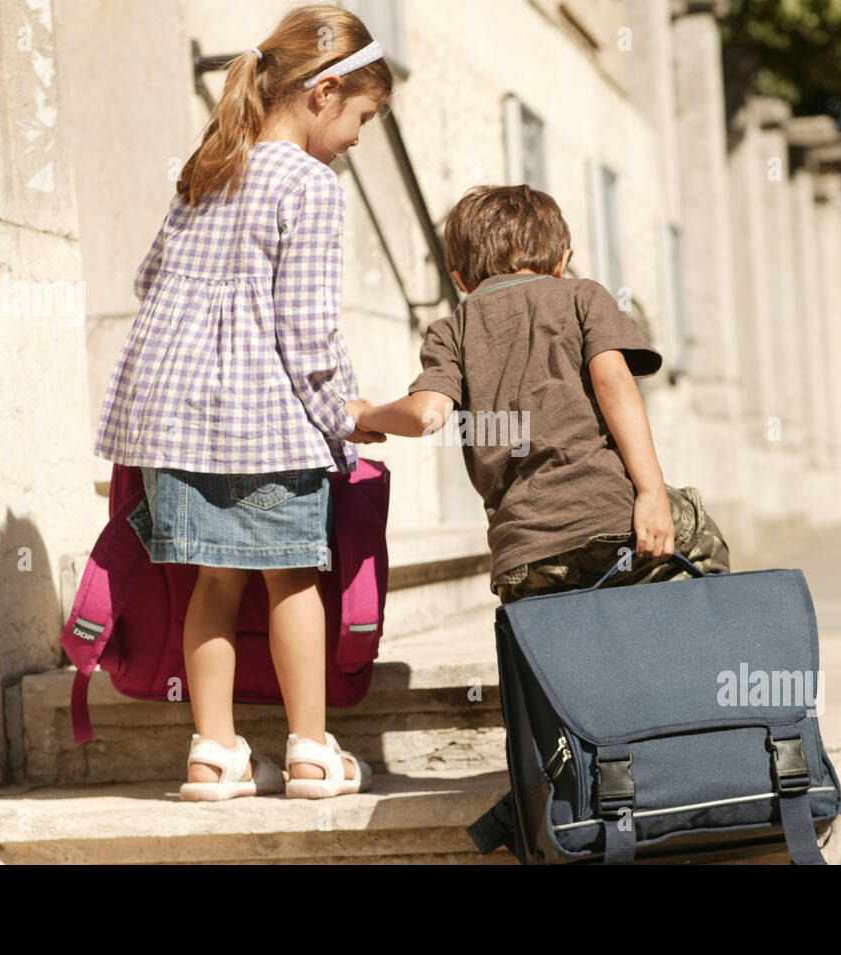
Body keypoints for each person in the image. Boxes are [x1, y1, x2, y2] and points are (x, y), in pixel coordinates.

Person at [92, 4, 391, 800]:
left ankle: (214, 751)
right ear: (324, 93)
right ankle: (309, 750)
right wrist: (346, 413)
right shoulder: (311, 184)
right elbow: (305, 328)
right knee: (292, 580)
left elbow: (148, 282)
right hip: (266, 424)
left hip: (177, 424)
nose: (360, 137)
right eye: (362, 116)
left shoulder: (210, 165)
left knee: (211, 584)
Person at [354, 184, 732, 606]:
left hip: (524, 559)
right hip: (612, 522)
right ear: (561, 261)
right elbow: (614, 384)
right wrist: (651, 492)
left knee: (549, 646)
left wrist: (362, 418)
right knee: (700, 537)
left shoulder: (449, 331)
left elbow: (426, 413)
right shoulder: (581, 296)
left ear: (458, 278)